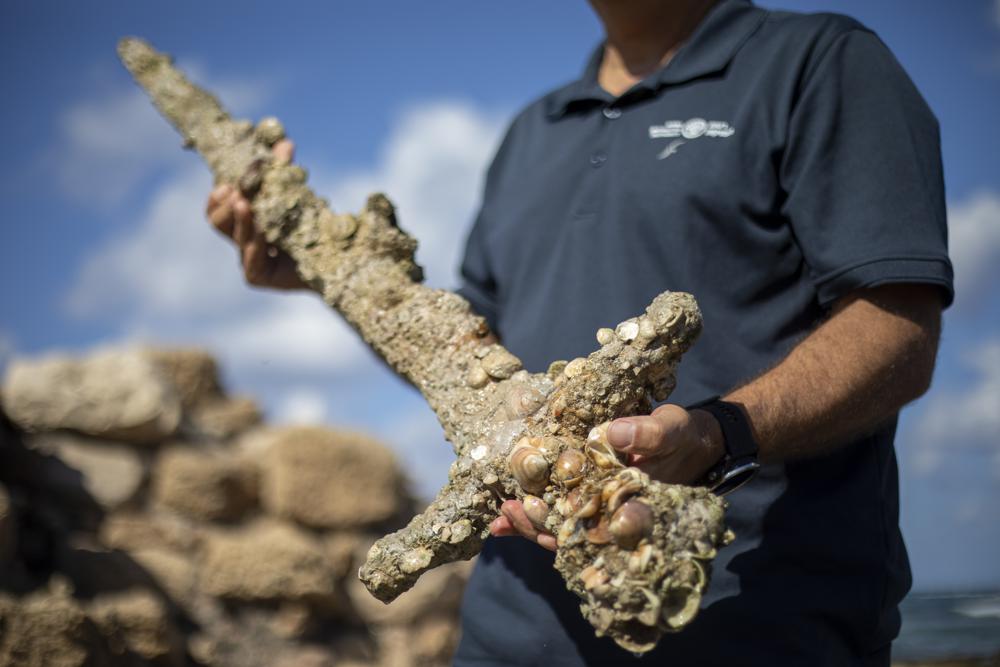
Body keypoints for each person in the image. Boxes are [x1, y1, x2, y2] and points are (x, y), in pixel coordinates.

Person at [206, 0, 953, 664]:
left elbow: (898, 327)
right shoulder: (532, 131)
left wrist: (719, 433)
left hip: (761, 626)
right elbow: (462, 369)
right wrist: (324, 281)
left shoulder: (818, 64)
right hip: (505, 635)